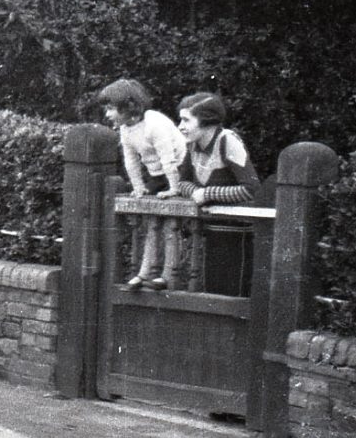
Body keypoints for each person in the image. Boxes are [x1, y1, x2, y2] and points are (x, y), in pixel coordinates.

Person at [96, 78, 186, 291]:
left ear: (128, 106)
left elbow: (168, 158)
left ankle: (167, 274)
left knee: (171, 222)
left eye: (110, 109)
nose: (107, 115)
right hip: (157, 174)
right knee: (152, 222)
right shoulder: (125, 129)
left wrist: (174, 188)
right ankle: (145, 272)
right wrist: (138, 186)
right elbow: (131, 160)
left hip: (178, 169)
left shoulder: (154, 124)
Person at [158, 91, 261, 207]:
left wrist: (208, 194)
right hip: (207, 219)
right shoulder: (193, 144)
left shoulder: (228, 141)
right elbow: (182, 183)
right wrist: (196, 193)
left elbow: (252, 189)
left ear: (206, 121)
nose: (180, 126)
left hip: (237, 221)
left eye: (186, 120)